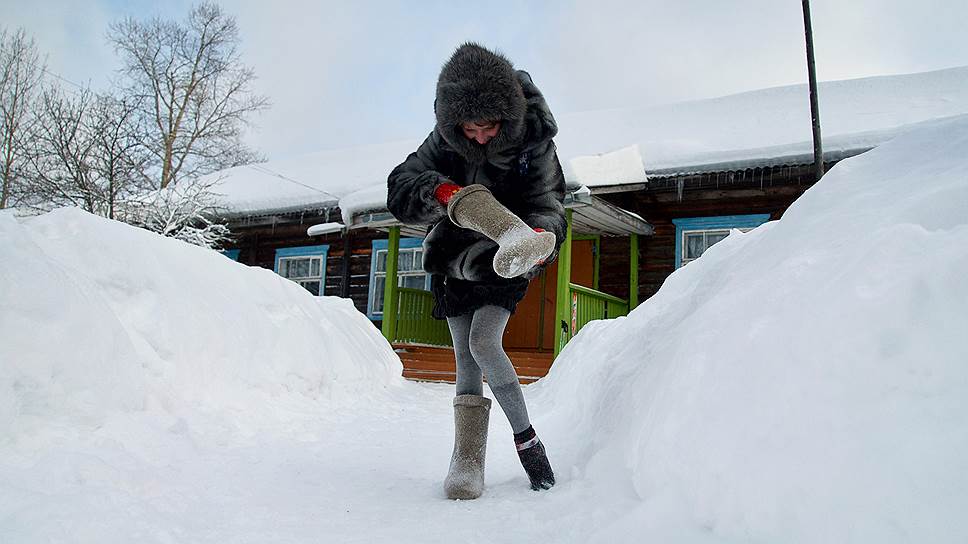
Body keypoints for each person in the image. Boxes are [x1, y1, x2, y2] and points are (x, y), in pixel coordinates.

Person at [387, 43, 566, 499]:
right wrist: (442, 193)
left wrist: (540, 237)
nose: (481, 138)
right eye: (471, 128)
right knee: (465, 359)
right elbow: (401, 184)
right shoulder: (443, 139)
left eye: (490, 127)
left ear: (507, 115)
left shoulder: (534, 141)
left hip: (507, 258)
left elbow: (549, 203)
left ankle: (528, 441)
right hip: (453, 258)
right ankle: (467, 459)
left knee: (484, 341)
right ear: (455, 123)